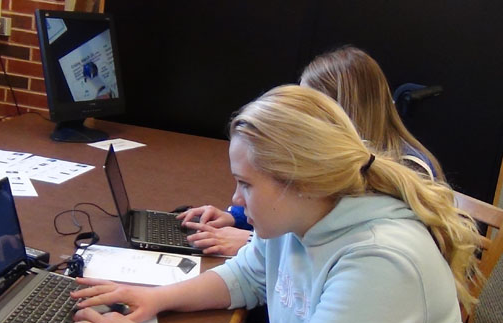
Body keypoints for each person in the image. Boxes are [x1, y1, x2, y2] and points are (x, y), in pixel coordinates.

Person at [64, 85, 495, 323]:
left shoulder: (381, 260)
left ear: (302, 181)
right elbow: (248, 274)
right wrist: (157, 298)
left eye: (245, 184)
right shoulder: (303, 216)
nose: (234, 199)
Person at [179, 45, 444, 257]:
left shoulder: (408, 170)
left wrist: (249, 242)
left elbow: (345, 247)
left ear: (336, 111)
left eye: (308, 108)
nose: (298, 117)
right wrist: (234, 217)